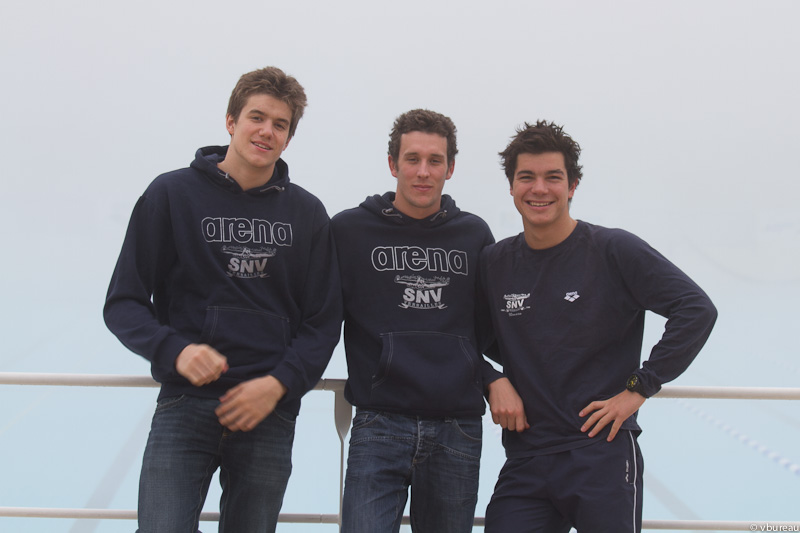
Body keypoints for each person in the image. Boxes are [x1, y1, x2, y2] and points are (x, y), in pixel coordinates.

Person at [103, 66, 342, 533]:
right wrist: (175, 350)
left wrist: (278, 385)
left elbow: (323, 322)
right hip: (186, 404)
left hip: (268, 411)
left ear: (288, 138)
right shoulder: (171, 194)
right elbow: (123, 302)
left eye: (280, 124)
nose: (267, 131)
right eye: (257, 117)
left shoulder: (308, 213)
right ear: (231, 121)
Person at [479, 120, 717, 532]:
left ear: (572, 185)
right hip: (527, 459)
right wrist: (491, 379)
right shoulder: (495, 263)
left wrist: (639, 388)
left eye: (553, 177)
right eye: (527, 177)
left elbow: (695, 309)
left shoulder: (613, 250)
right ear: (512, 187)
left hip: (602, 454)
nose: (539, 189)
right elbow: (463, 336)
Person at [331, 109, 524, 532]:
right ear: (392, 164)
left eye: (435, 160)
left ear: (450, 168)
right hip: (378, 422)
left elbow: (489, 330)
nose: (423, 171)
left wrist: (493, 377)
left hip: (457, 428)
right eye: (412, 159)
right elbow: (320, 317)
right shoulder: (349, 231)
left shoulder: (474, 235)